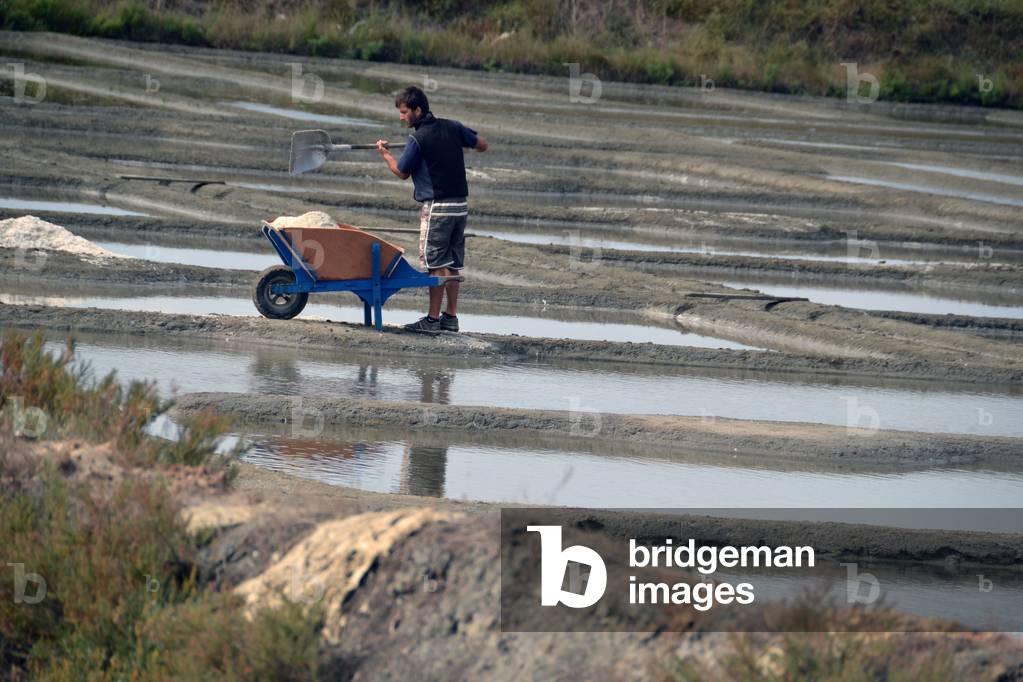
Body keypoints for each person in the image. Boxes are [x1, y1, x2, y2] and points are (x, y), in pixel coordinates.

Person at [376, 85, 488, 333]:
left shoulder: (417, 139)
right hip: (460, 205)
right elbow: (482, 144)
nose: (401, 117)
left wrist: (385, 154)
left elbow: (402, 172)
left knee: (436, 263)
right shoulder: (453, 127)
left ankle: (432, 320)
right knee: (453, 262)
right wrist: (458, 142)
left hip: (438, 208)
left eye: (405, 112)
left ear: (418, 110)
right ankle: (451, 317)